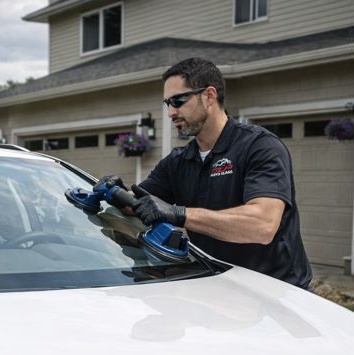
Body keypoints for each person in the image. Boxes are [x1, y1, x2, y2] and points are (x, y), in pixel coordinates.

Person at [100, 57, 312, 288]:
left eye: (178, 101)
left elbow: (263, 225)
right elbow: (140, 205)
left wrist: (178, 214)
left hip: (277, 294)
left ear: (209, 96)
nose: (171, 112)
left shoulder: (259, 146)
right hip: (216, 289)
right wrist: (116, 192)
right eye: (167, 104)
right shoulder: (178, 162)